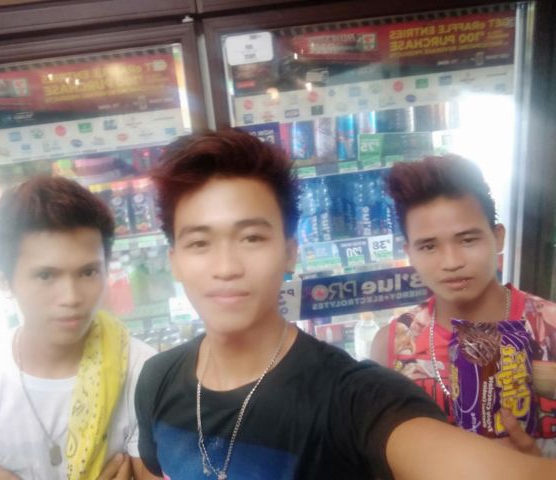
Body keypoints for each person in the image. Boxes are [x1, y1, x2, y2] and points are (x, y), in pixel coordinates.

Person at [134, 128, 556, 480]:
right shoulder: (156, 379)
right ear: (174, 261)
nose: (226, 267)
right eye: (199, 242)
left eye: (252, 238)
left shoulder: (354, 398)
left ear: (290, 252)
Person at [0, 175, 155, 479]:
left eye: (88, 272)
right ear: (4, 280)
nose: (71, 297)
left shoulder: (143, 372)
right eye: (46, 276)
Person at [371, 155, 556, 458]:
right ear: (410, 253)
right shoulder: (392, 347)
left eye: (468, 240)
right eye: (428, 246)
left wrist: (538, 469)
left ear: (498, 238)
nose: (452, 262)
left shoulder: (550, 328)